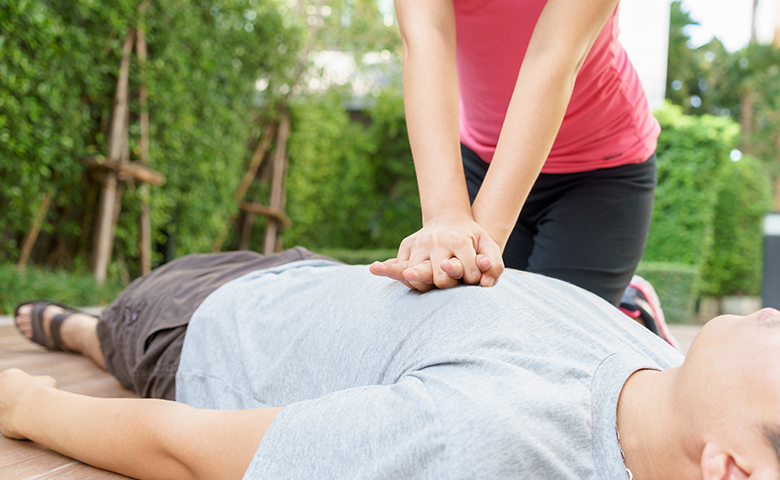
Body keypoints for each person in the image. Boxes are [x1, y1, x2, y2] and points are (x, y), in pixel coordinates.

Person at [2, 247, 780, 480]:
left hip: (196, 326)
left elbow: (185, 452)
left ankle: (80, 331)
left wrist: (23, 405)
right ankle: (84, 328)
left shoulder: (483, 441)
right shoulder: (663, 371)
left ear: (732, 468)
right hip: (309, 273)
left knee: (105, 334)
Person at [370, 0, 660, 308]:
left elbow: (555, 52)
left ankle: (632, 310)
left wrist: (476, 253)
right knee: (461, 311)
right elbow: (426, 38)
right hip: (482, 159)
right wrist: (445, 218)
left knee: (547, 336)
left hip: (600, 168)